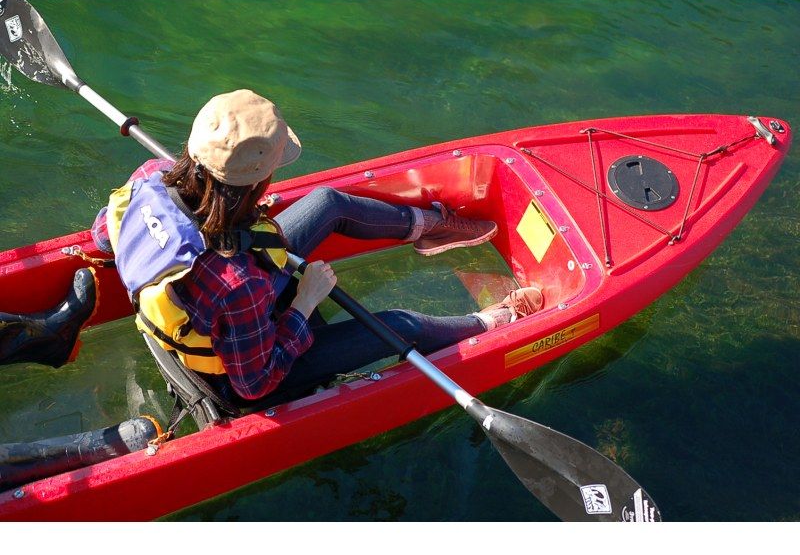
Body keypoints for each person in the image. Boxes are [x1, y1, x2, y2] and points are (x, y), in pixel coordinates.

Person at [6, 89, 544, 406]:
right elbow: (257, 381)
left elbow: (105, 232)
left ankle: (426, 226)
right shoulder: (235, 283)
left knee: (329, 201)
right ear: (258, 186)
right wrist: (306, 302)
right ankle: (491, 324)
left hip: (226, 277)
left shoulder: (151, 177)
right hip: (236, 374)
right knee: (398, 327)